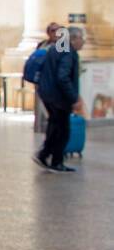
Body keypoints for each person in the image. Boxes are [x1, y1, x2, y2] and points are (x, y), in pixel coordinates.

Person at [34, 27, 85, 173]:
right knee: (63, 130)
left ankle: (46, 156)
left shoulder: (57, 48)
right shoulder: (68, 52)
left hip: (48, 93)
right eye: (82, 38)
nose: (83, 42)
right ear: (73, 39)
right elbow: (63, 77)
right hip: (58, 97)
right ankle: (54, 160)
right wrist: (74, 98)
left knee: (55, 126)